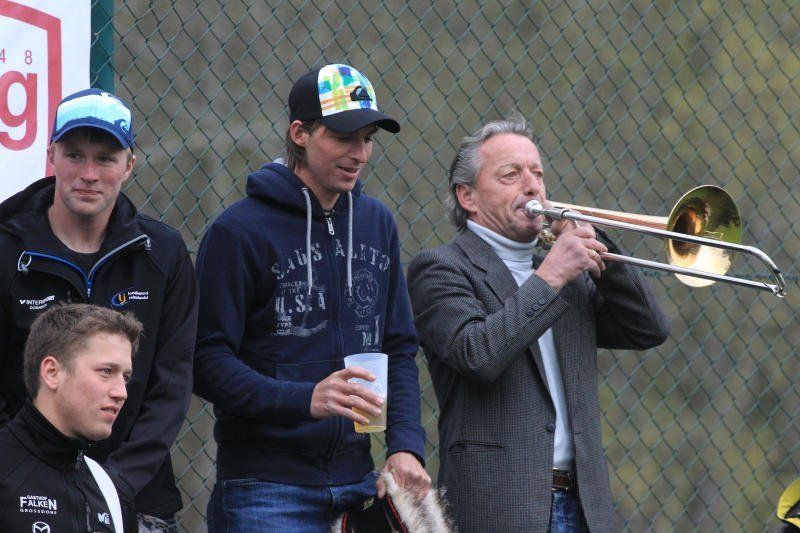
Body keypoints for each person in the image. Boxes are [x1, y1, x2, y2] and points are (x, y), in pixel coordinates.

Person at [194, 63, 430, 531]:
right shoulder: (237, 231)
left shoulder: (377, 223)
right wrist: (304, 399)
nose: (359, 153)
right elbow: (205, 361)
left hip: (360, 481)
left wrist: (405, 445)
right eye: (343, 138)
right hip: (265, 488)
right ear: (300, 133)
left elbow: (398, 347)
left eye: (367, 139)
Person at [407, 116, 671, 532]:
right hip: (501, 508)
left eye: (538, 174)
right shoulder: (441, 269)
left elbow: (648, 328)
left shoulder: (567, 274)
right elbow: (477, 355)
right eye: (511, 175)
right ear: (467, 196)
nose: (532, 186)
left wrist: (600, 246)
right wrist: (552, 275)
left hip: (584, 507)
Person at [0, 89, 199, 531]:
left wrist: (116, 483)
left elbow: (172, 383)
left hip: (138, 496)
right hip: (22, 493)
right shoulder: (7, 249)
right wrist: (18, 470)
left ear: (129, 165)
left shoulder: (163, 253)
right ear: (51, 155)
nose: (88, 174)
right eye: (75, 155)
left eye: (106, 159)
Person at [0, 303, 142, 532]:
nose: (121, 392)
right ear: (52, 372)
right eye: (106, 371)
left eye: (125, 377)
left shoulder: (112, 490)